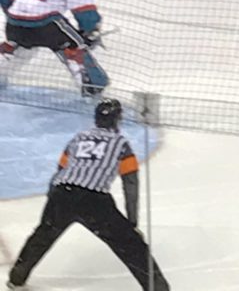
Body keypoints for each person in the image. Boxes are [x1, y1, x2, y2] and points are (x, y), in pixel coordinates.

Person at [6, 99, 170, 291]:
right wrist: (132, 223)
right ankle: (157, 288)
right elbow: (130, 183)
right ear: (118, 119)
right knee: (131, 246)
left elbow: (61, 169)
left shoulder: (79, 138)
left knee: (42, 237)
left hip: (62, 193)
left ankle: (16, 279)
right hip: (94, 200)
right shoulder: (121, 144)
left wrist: (53, 202)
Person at [0, 0, 108, 97]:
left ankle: (4, 63)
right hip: (48, 26)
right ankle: (93, 89)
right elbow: (85, 11)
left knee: (19, 44)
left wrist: (16, 15)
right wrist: (90, 32)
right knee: (74, 47)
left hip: (14, 25)